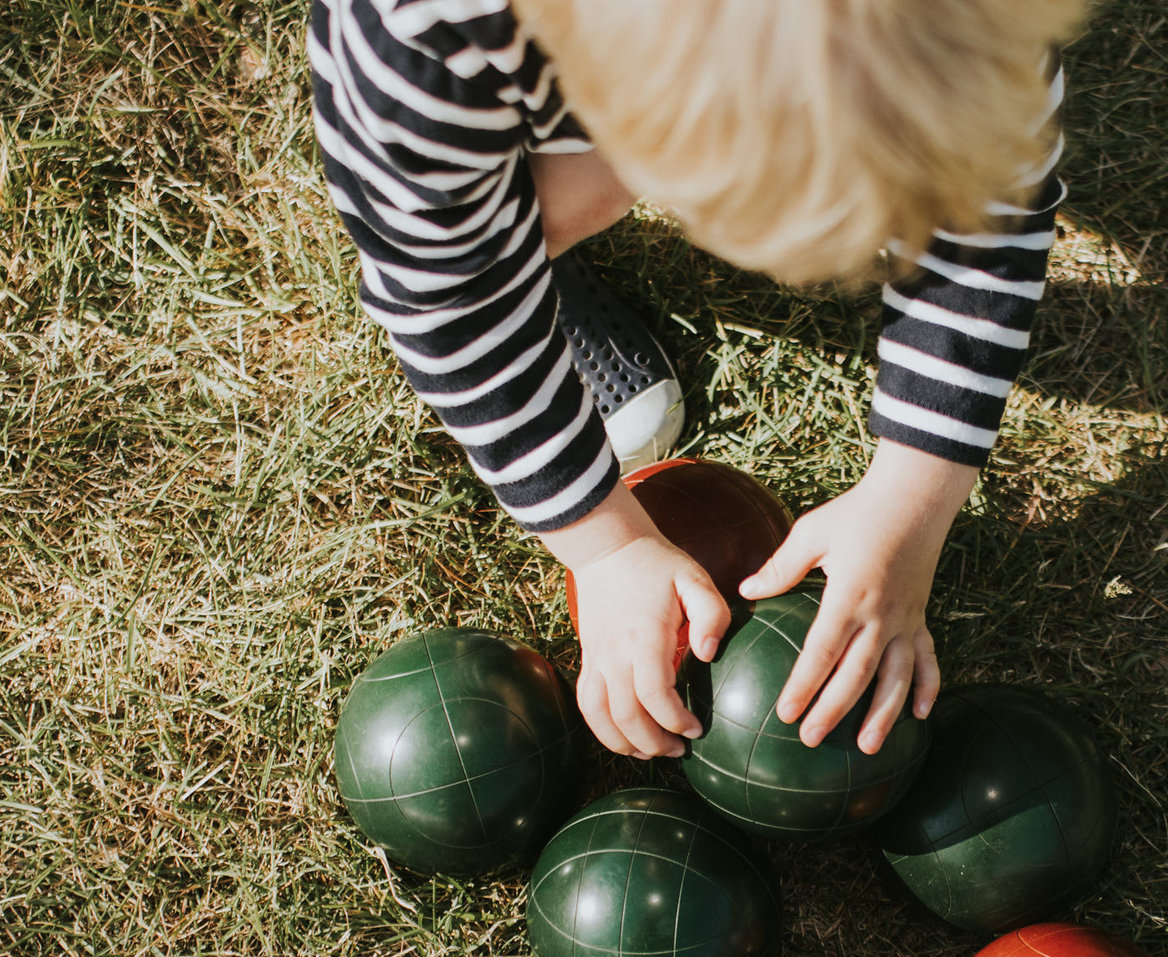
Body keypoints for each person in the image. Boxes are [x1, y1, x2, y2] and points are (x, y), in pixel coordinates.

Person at [309, 0, 1082, 759]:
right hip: (509, 81)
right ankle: (532, 240)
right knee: (543, 208)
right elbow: (452, 299)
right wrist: (605, 547)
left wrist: (914, 495)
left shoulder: (964, 26)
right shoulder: (423, 37)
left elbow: (994, 211)